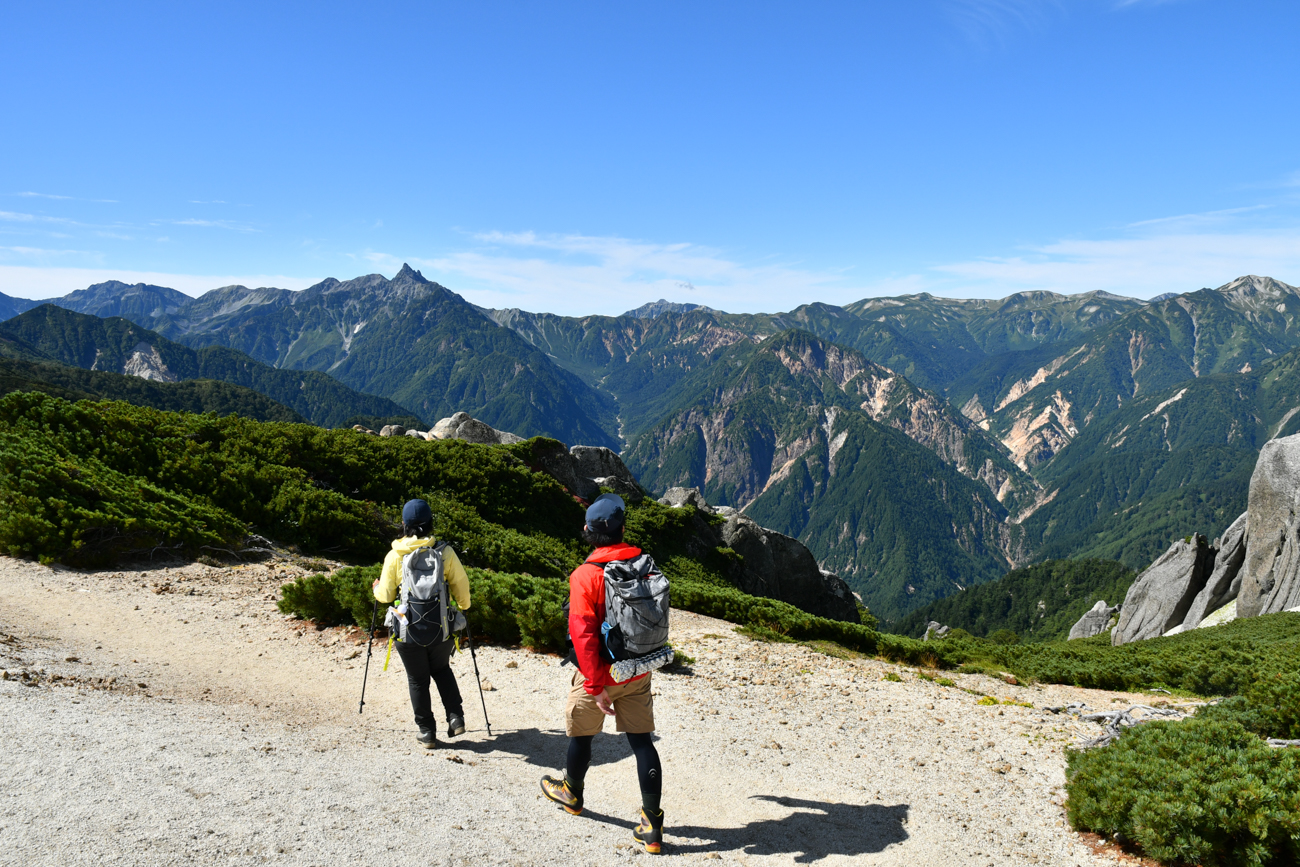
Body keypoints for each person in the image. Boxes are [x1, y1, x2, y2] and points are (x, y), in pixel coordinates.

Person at [540, 493, 666, 855]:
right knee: (643, 742)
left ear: (588, 532)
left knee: (582, 737)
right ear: (623, 529)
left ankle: (571, 793)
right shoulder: (644, 563)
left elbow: (582, 634)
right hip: (638, 669)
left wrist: (596, 687)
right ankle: (651, 824)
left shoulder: (585, 576)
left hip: (600, 675)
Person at [373, 498, 471, 748]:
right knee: (441, 670)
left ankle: (427, 732)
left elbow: (385, 596)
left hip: (408, 631)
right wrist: (463, 607)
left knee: (417, 679)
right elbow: (462, 588)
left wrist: (376, 589)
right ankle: (456, 717)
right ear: (430, 524)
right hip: (441, 630)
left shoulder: (395, 555)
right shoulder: (444, 551)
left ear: (404, 524)